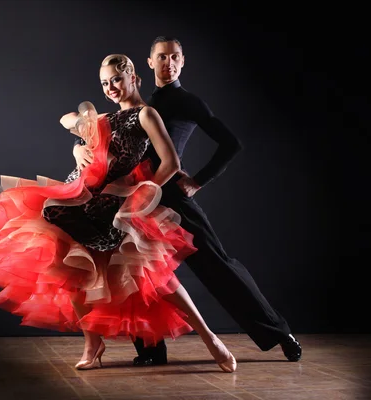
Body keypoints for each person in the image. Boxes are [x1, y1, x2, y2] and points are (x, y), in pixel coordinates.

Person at [0, 53, 237, 372]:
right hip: (81, 196)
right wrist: (77, 146)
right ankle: (93, 343)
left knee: (155, 277)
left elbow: (171, 164)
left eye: (117, 80)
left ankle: (210, 337)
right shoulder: (103, 120)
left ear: (134, 77)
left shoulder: (145, 114)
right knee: (65, 262)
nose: (111, 87)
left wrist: (141, 193)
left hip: (118, 205)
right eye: (105, 83)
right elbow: (66, 119)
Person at [73, 37, 302, 365]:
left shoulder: (185, 100)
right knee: (137, 273)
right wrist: (78, 147)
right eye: (162, 57)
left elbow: (231, 143)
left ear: (182, 61)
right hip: (132, 200)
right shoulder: (137, 101)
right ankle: (152, 349)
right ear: (149, 63)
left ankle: (280, 334)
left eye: (175, 57)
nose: (169, 63)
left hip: (171, 198)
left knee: (218, 267)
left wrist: (198, 181)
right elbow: (99, 136)